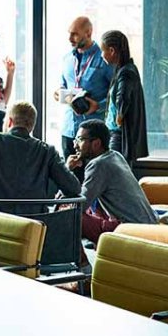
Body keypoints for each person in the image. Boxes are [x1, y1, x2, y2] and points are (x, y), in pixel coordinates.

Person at [0, 101, 80, 214]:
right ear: (32, 126)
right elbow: (73, 188)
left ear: (9, 121)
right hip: (32, 230)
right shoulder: (47, 152)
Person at [65, 119, 156, 244]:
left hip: (131, 230)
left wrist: (67, 171)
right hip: (148, 224)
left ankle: (82, 260)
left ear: (96, 143)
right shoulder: (115, 155)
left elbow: (79, 205)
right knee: (91, 206)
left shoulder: (99, 165)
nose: (75, 145)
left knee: (70, 214)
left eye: (80, 140)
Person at [54, 16, 114, 163]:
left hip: (93, 136)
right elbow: (62, 86)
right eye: (69, 33)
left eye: (74, 34)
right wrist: (60, 94)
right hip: (69, 130)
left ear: (88, 32)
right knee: (70, 179)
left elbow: (116, 94)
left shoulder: (104, 58)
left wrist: (98, 106)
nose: (70, 38)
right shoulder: (67, 58)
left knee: (94, 178)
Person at [100, 29, 148, 164]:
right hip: (116, 134)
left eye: (103, 51)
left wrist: (119, 116)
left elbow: (123, 97)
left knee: (117, 173)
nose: (102, 55)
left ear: (112, 51)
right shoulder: (123, 70)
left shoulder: (126, 72)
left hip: (119, 135)